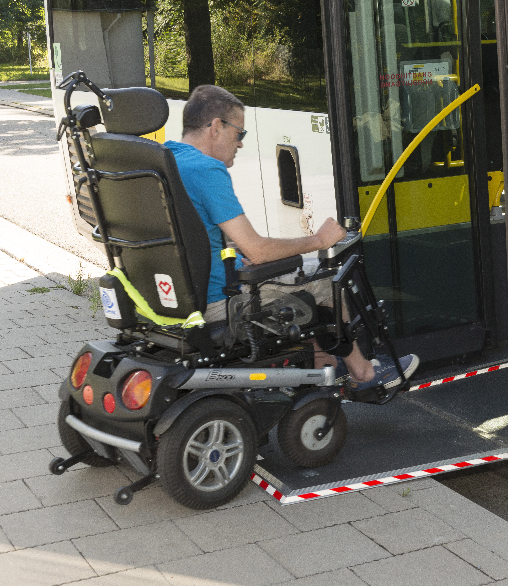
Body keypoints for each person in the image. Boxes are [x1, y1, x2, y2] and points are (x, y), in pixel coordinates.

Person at [164, 85, 418, 391]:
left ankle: (322, 372)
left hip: (174, 296)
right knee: (323, 281)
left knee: (296, 284)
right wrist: (319, 239)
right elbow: (257, 251)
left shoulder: (166, 159)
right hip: (217, 302)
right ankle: (363, 374)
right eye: (239, 134)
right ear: (216, 127)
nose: (240, 144)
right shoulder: (207, 169)